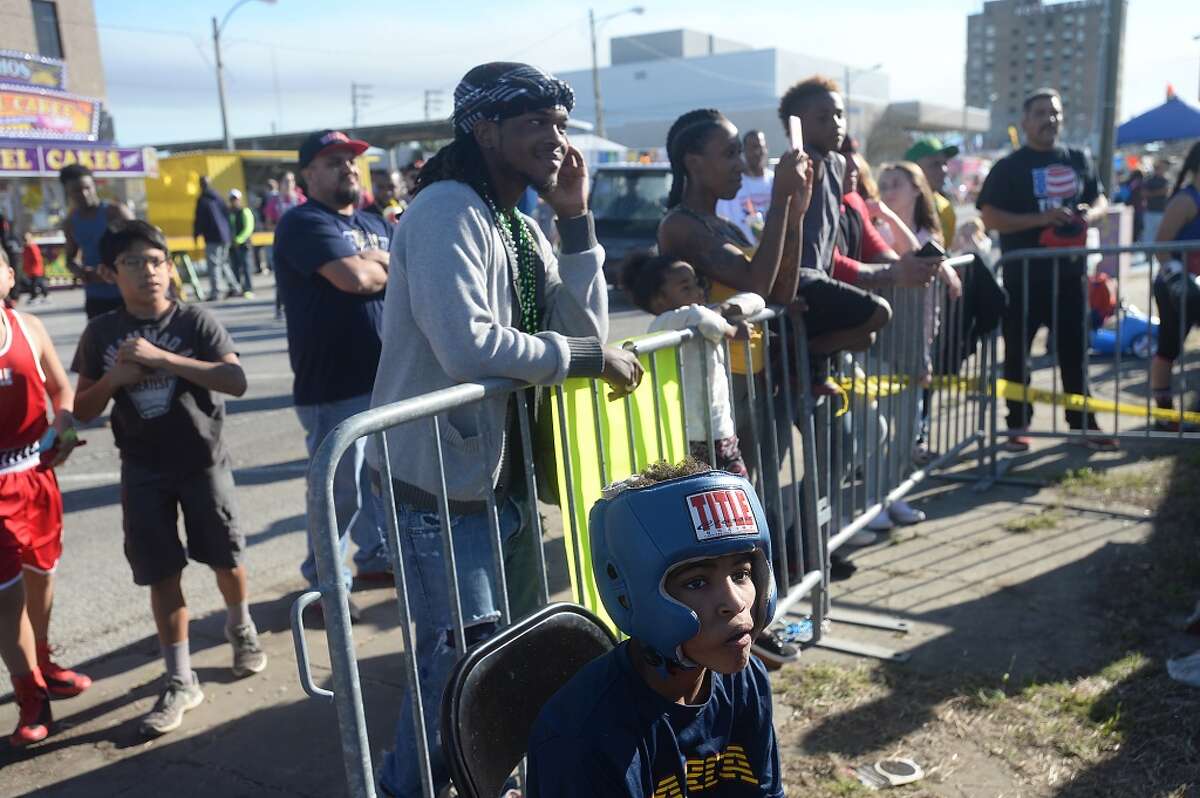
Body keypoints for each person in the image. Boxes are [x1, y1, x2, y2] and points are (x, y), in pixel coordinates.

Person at [369, 61, 643, 798]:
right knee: (458, 663)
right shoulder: (444, 211)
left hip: (504, 477)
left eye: (560, 125)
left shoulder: (521, 224)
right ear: (482, 129)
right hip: (441, 485)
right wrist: (583, 358)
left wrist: (577, 221)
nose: (556, 139)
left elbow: (581, 328)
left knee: (505, 654)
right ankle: (407, 788)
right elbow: (470, 344)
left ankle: (485, 776)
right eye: (535, 125)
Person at [70, 220, 267, 737]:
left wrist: (166, 360)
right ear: (112, 273)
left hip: (203, 462)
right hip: (142, 469)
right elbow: (82, 407)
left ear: (170, 267)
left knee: (227, 557)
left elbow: (236, 380)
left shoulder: (195, 321)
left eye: (156, 260)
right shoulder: (102, 333)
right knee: (161, 574)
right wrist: (114, 377)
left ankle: (240, 626)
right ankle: (180, 678)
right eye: (133, 263)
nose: (148, 272)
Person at [526, 462, 784, 797]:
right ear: (632, 595)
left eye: (741, 574)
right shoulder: (581, 737)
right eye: (697, 582)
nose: (734, 603)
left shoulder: (746, 682)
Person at [273, 130, 395, 610]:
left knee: (379, 484)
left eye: (351, 160)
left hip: (385, 377)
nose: (348, 167)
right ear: (307, 175)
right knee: (339, 489)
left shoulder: (373, 222)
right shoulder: (303, 222)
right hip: (332, 382)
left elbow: (398, 269)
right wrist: (379, 264)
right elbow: (354, 278)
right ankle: (325, 582)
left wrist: (379, 259)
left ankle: (374, 557)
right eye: (333, 161)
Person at [977, 87, 1117, 451]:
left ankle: (1083, 423)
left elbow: (1100, 198)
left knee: (1074, 352)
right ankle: (1017, 425)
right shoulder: (1009, 167)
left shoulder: (1078, 158)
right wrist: (1041, 218)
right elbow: (989, 216)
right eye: (1039, 113)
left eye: (1054, 113)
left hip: (1070, 277)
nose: (1048, 120)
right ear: (1025, 122)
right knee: (1017, 356)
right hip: (1023, 280)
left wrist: (1092, 213)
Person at [0, 248, 90, 747]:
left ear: (10, 276)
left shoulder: (29, 328)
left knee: (41, 582)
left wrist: (66, 429)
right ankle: (30, 695)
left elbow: (62, 390)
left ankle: (44, 660)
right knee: (6, 599)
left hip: (35, 477)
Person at [624, 251, 763, 477]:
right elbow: (700, 316)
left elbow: (756, 300)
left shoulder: (705, 317)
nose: (698, 292)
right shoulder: (664, 323)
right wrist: (731, 330)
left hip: (721, 429)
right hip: (691, 435)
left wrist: (724, 309)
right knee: (705, 499)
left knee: (735, 494)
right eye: (685, 288)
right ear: (660, 300)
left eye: (697, 284)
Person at [1149, 141, 1200, 428]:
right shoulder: (1186, 200)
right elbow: (1161, 245)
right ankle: (1164, 412)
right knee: (1169, 345)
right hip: (1175, 287)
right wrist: (1177, 276)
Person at [60, 164, 134, 319]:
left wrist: (115, 270)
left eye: (88, 188)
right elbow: (70, 259)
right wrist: (82, 272)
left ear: (94, 186)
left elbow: (142, 246)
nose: (84, 194)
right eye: (77, 191)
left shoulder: (116, 212)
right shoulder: (70, 223)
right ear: (67, 192)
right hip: (96, 297)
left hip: (127, 292)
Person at [715, 129, 775, 244]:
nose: (757, 152)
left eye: (760, 147)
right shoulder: (735, 185)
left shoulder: (775, 182)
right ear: (744, 152)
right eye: (752, 148)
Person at [904, 137, 959, 245]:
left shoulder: (946, 209)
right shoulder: (895, 205)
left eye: (945, 164)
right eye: (935, 164)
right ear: (914, 168)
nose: (944, 170)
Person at [192, 177, 239, 302]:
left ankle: (216, 292)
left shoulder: (202, 200)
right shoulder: (218, 197)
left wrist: (196, 234)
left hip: (212, 236)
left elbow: (199, 219)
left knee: (213, 265)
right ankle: (234, 287)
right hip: (225, 236)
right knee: (223, 263)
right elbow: (227, 215)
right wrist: (230, 233)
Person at [227, 189, 255, 298]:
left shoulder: (245, 211)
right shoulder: (229, 212)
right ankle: (237, 289)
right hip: (232, 245)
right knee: (235, 267)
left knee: (246, 267)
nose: (234, 201)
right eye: (232, 199)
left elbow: (248, 228)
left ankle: (248, 289)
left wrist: (238, 239)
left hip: (244, 245)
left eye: (235, 198)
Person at [1142, 158, 1172, 246]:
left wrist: (1154, 193)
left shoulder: (1166, 180)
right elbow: (1143, 193)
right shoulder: (1149, 180)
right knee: (1149, 238)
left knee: (1162, 238)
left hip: (1162, 212)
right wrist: (1159, 192)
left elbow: (1168, 192)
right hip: (1150, 212)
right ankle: (1148, 258)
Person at [22, 232, 48, 303]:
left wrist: (35, 268)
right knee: (38, 284)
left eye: (27, 239)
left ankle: (35, 297)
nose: (25, 241)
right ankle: (45, 295)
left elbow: (37, 259)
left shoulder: (32, 247)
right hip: (30, 271)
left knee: (34, 284)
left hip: (36, 270)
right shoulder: (26, 248)